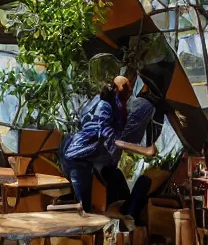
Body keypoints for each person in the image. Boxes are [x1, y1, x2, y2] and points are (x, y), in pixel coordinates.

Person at [60, 76, 156, 214]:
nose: (130, 90)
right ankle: (88, 232)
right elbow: (110, 139)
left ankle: (118, 222)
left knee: (119, 191)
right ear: (118, 89)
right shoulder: (104, 106)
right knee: (85, 208)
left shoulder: (118, 104)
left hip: (99, 161)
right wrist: (144, 150)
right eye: (127, 86)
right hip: (79, 157)